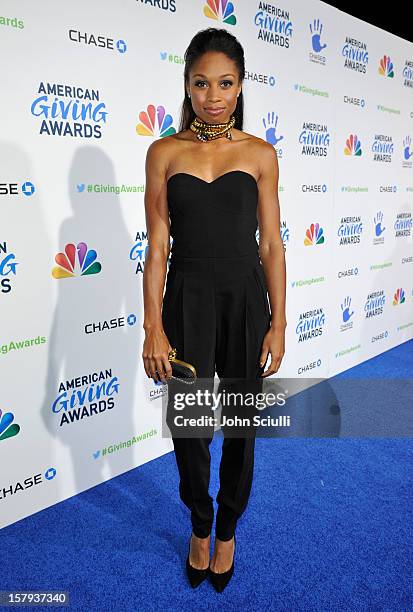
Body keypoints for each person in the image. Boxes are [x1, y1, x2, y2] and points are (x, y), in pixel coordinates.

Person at [142, 27, 286, 592]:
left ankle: (227, 529)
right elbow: (157, 246)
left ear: (241, 85)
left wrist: (277, 320)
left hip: (246, 298)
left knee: (242, 426)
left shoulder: (259, 155)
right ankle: (199, 524)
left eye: (225, 83)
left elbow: (271, 244)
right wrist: (153, 324)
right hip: (186, 299)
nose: (213, 95)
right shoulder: (164, 153)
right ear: (187, 86)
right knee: (191, 428)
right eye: (201, 83)